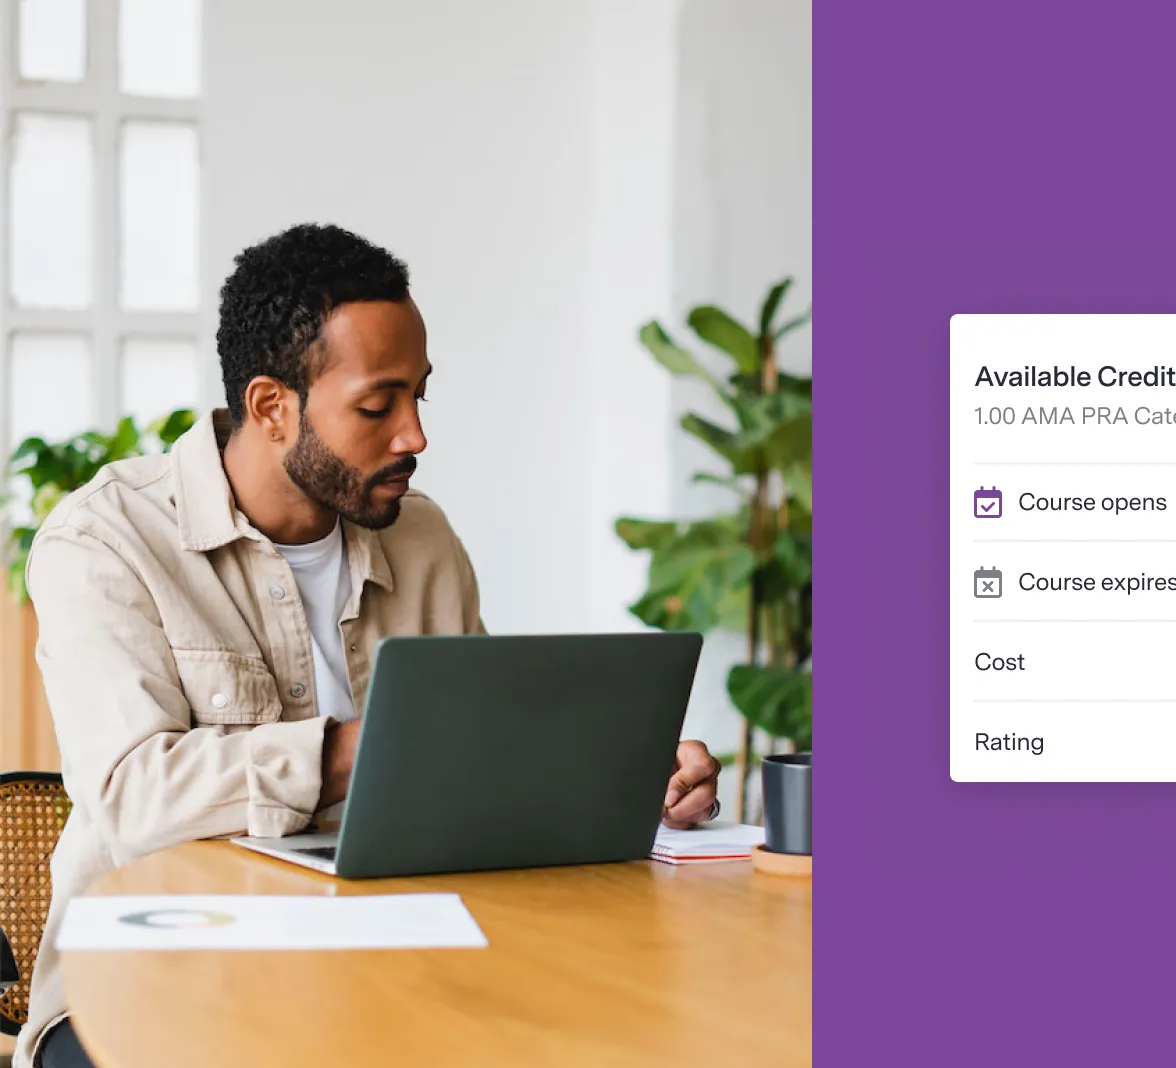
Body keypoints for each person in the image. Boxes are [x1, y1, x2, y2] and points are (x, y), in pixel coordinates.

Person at [15, 224, 722, 1068]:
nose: (415, 435)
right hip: (146, 992)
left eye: (420, 396)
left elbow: (480, 762)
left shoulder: (422, 538)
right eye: (377, 405)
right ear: (273, 406)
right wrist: (366, 749)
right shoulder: (104, 542)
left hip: (388, 971)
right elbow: (134, 798)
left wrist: (614, 772)